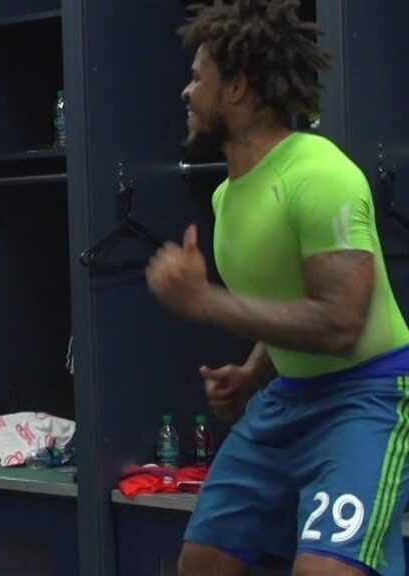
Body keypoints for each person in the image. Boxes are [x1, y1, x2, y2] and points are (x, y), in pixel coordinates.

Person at [146, 1, 409, 575]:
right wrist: (252, 374)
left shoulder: (318, 173)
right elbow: (289, 305)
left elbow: (341, 325)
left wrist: (206, 303)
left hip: (368, 397)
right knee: (204, 561)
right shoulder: (226, 196)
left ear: (238, 87)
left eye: (198, 78)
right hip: (289, 399)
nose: (187, 93)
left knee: (325, 571)